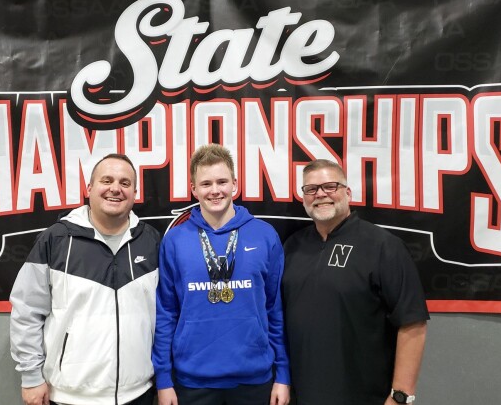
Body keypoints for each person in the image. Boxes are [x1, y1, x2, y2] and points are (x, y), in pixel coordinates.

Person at [10, 153, 160, 405]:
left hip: (138, 393)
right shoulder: (55, 240)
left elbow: (166, 314)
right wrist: (31, 377)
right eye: (107, 180)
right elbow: (26, 311)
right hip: (71, 396)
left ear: (135, 192)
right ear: (89, 188)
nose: (115, 189)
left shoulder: (152, 241)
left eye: (125, 183)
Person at [282, 159, 429, 405]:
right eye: (311, 189)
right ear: (304, 197)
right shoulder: (292, 247)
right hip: (301, 395)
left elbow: (412, 323)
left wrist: (401, 396)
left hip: (363, 395)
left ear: (347, 193)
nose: (320, 194)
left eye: (330, 186)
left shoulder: (383, 246)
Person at [152, 144, 290, 405]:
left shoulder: (264, 235)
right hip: (192, 381)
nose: (215, 190)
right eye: (205, 183)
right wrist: (163, 379)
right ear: (194, 189)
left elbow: (275, 309)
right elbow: (166, 313)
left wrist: (282, 375)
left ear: (234, 184)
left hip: (255, 379)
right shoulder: (175, 240)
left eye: (222, 181)